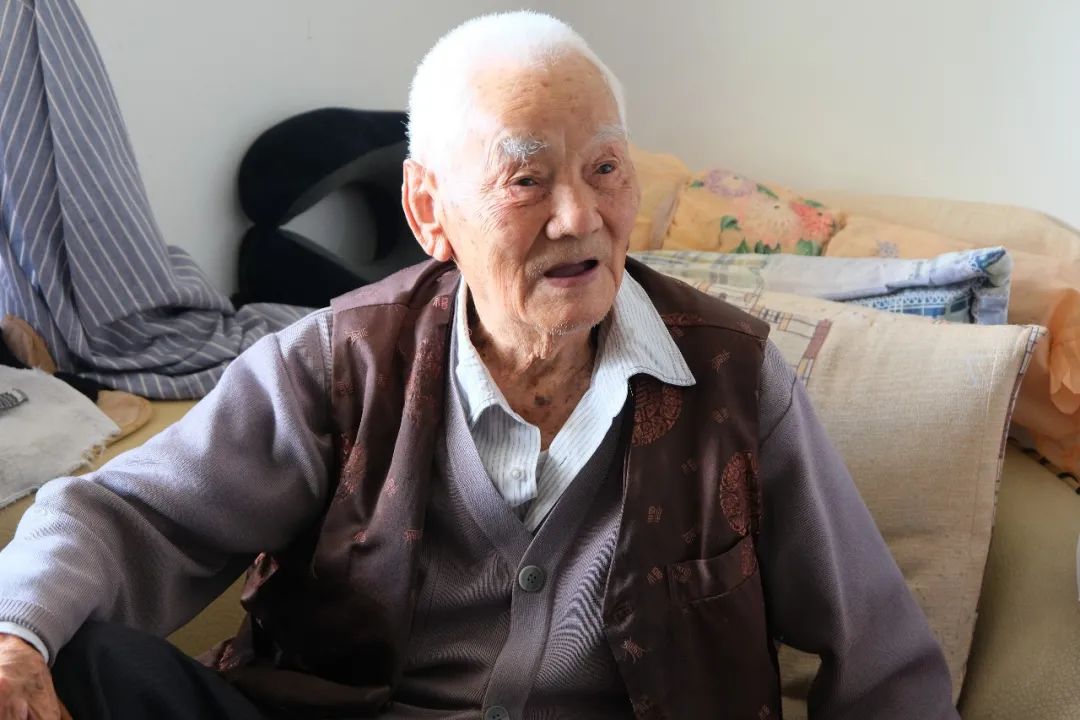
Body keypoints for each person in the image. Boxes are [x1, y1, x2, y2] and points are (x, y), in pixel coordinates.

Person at [0, 11, 959, 720]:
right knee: (80, 663)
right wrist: (16, 636)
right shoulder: (338, 363)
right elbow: (128, 517)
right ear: (428, 212)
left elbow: (881, 661)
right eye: (527, 178)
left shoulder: (735, 383)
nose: (579, 216)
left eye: (606, 169)